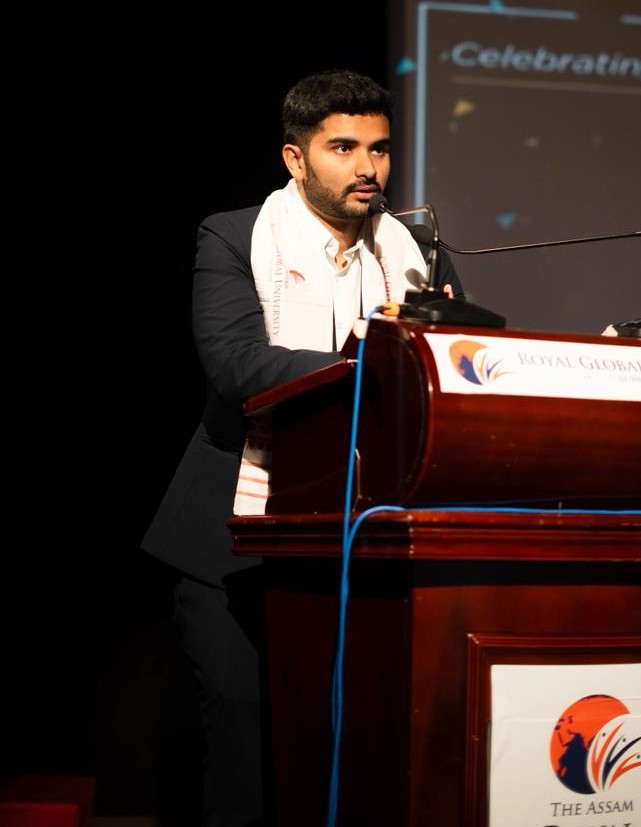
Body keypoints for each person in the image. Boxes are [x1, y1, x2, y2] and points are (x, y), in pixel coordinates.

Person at [141, 68, 464, 826]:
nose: (367, 167)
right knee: (250, 756)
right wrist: (372, 362)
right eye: (343, 147)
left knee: (365, 753)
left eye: (379, 149)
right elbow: (236, 366)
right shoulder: (233, 234)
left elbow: (452, 366)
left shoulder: (418, 250)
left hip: (366, 535)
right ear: (295, 158)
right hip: (236, 541)